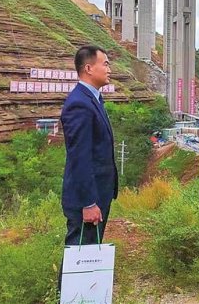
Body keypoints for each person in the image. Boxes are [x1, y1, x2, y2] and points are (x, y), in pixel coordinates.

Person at [60, 45, 118, 247]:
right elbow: (79, 157)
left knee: (90, 251)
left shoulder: (93, 99)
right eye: (105, 64)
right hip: (87, 199)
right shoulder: (80, 104)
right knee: (80, 254)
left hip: (98, 193)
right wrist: (89, 202)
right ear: (88, 68)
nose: (109, 69)